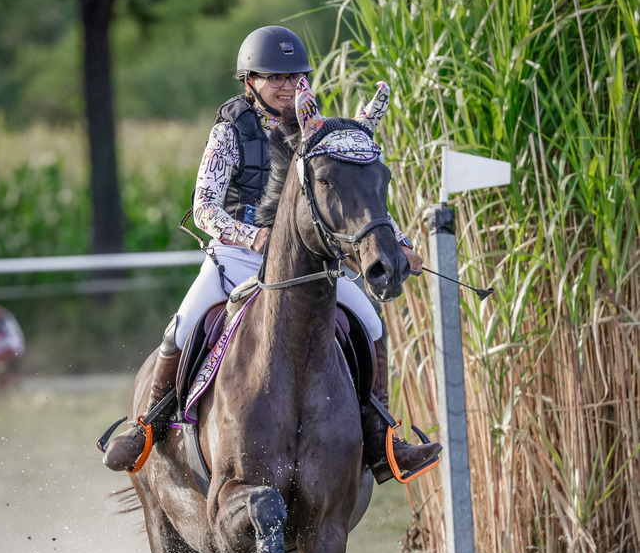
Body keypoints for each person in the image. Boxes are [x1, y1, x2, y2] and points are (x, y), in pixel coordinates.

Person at [103, 25, 441, 480]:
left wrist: (398, 242)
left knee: (372, 323)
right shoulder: (230, 131)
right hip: (239, 257)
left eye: (296, 77)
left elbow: (353, 197)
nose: (287, 86)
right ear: (250, 81)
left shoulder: (317, 129)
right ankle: (146, 426)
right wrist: (252, 237)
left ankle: (382, 440)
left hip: (307, 262)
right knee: (183, 327)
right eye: (275, 77)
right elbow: (204, 208)